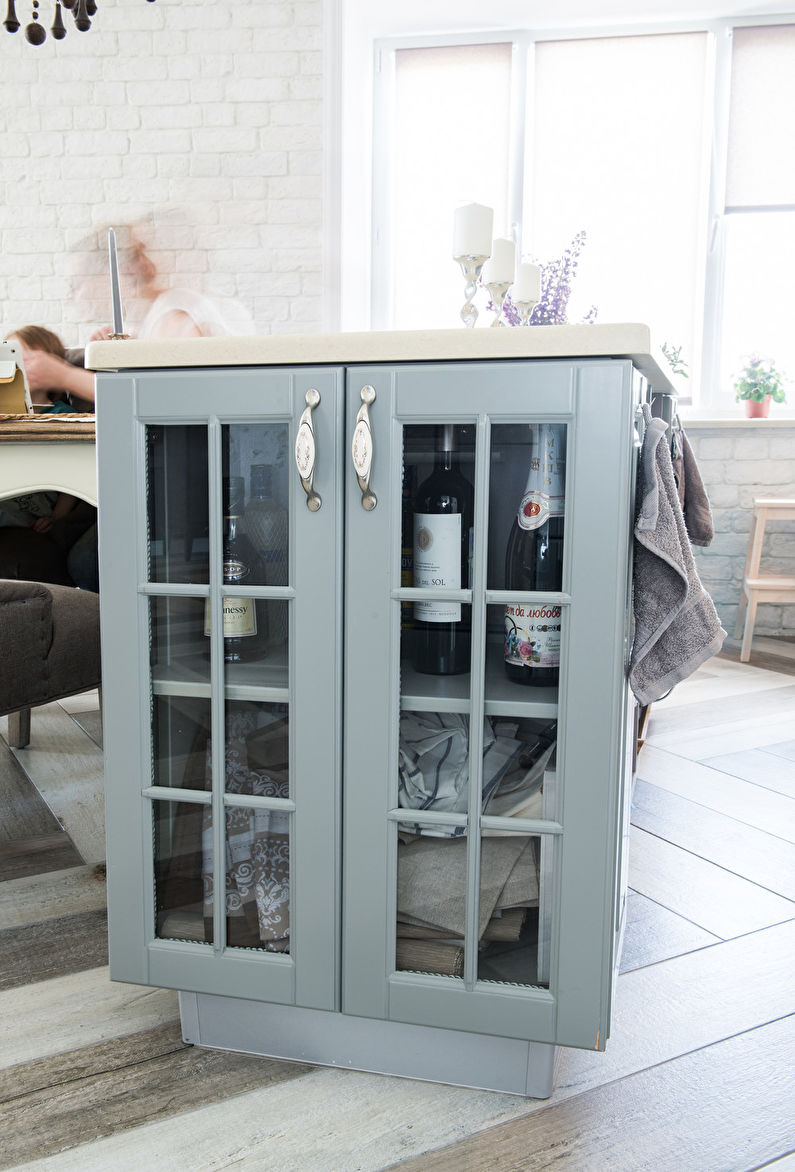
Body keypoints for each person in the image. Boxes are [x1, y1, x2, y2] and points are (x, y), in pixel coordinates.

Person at [1, 326, 99, 590]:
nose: (18, 367)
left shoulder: (63, 414)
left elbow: (75, 469)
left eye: (26, 358)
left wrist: (57, 517)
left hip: (43, 502)